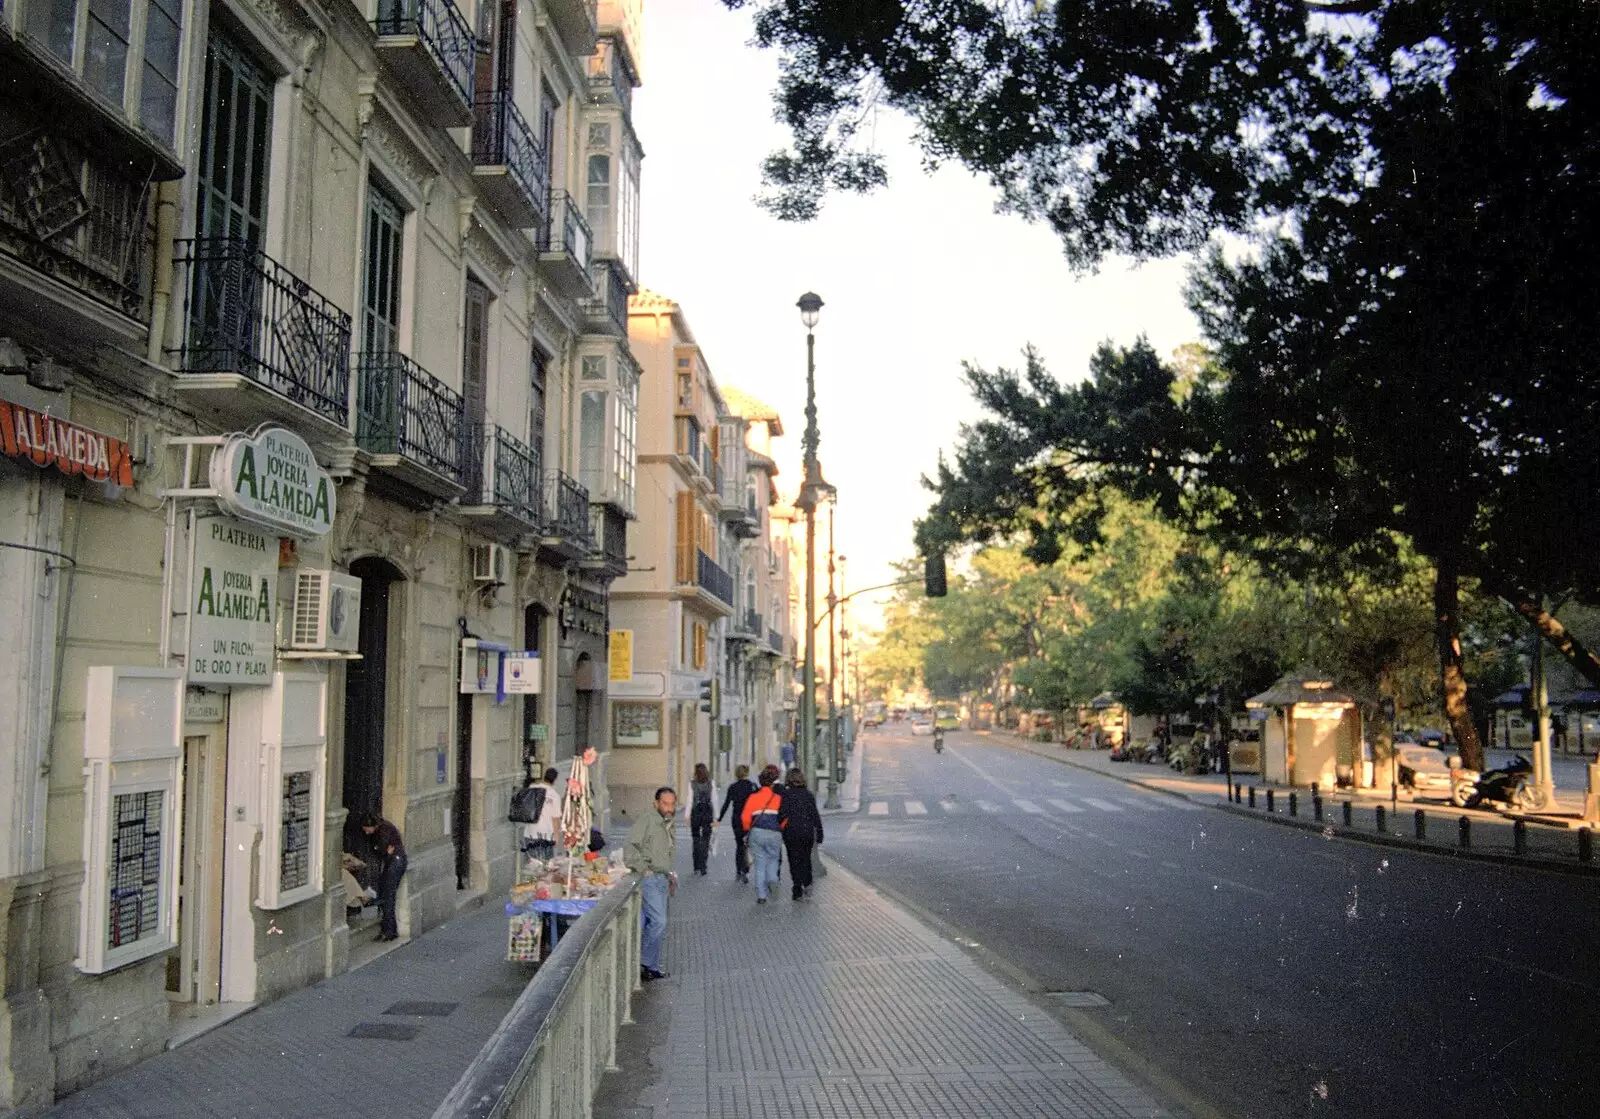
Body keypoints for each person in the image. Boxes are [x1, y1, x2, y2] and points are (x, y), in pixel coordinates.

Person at [624, 786, 677, 982]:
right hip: (650, 878)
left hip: (662, 878)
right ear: (656, 803)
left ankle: (651, 967)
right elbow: (629, 847)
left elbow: (665, 852)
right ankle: (644, 962)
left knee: (656, 922)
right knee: (659, 921)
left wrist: (670, 874)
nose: (669, 808)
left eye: (672, 804)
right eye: (665, 803)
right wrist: (642, 868)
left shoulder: (668, 822)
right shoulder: (648, 820)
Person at [740, 766, 785, 904]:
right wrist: (780, 828)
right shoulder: (778, 798)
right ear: (773, 782)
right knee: (773, 859)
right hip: (774, 834)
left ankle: (761, 896)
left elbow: (745, 817)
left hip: (757, 833)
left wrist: (748, 829)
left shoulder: (753, 798)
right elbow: (784, 818)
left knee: (759, 864)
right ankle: (772, 880)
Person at [359, 812, 406, 942]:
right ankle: (388, 929)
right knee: (386, 894)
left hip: (395, 862)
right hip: (394, 861)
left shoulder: (384, 830)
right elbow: (383, 850)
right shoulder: (383, 829)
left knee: (388, 895)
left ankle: (389, 930)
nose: (366, 832)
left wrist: (382, 850)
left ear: (371, 825)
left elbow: (382, 849)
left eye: (367, 829)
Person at [778, 768, 823, 901]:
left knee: (793, 860)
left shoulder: (786, 795)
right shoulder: (808, 795)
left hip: (791, 832)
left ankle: (797, 887)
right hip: (806, 832)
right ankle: (807, 883)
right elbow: (815, 816)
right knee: (806, 858)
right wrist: (820, 834)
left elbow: (781, 815)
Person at [718, 764, 757, 882]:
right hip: (749, 820)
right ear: (747, 773)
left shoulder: (732, 787)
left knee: (739, 845)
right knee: (747, 845)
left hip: (736, 819)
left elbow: (726, 804)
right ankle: (745, 870)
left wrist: (719, 819)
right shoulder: (752, 786)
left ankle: (738, 870)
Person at [519, 767, 563, 860]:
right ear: (554, 780)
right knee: (545, 864)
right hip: (546, 834)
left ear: (544, 776)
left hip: (530, 832)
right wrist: (556, 836)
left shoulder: (532, 788)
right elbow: (555, 819)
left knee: (532, 863)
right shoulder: (554, 796)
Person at [689, 763, 715, 876]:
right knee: (705, 839)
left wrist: (687, 815)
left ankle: (696, 867)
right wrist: (716, 815)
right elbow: (714, 799)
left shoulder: (692, 784)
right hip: (707, 812)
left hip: (695, 813)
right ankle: (703, 866)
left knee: (695, 839)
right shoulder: (710, 784)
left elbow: (690, 801)